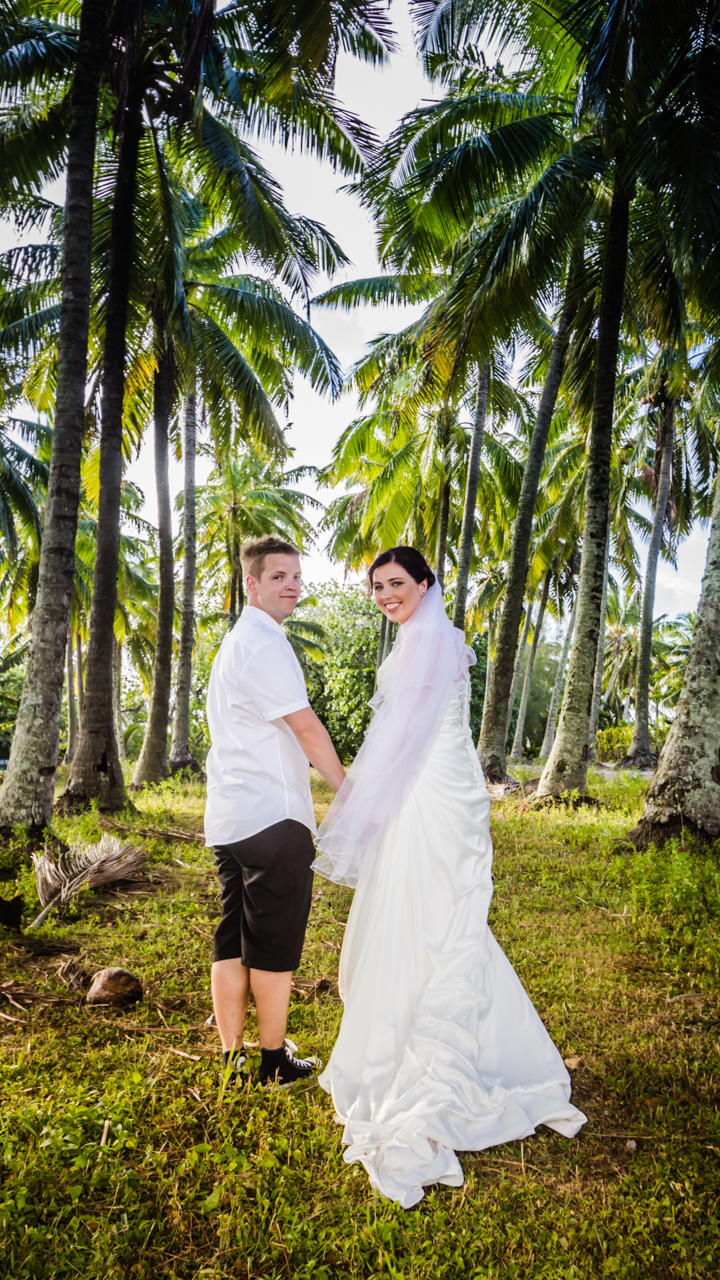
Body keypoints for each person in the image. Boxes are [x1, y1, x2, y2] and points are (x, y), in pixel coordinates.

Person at [313, 545, 587, 1207]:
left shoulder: (429, 639)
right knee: (424, 918)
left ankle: (436, 1069)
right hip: (431, 787)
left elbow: (403, 736)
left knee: (436, 918)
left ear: (426, 584)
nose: (385, 595)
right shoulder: (425, 637)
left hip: (432, 794)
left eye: (396, 583)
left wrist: (364, 803)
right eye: (376, 587)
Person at [205, 535, 345, 1086]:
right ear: (252, 583)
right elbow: (306, 727)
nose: (292, 585)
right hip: (273, 819)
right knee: (273, 947)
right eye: (279, 576)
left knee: (233, 936)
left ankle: (232, 1057)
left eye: (296, 576)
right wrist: (347, 789)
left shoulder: (237, 643)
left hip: (231, 818)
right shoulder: (265, 644)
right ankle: (272, 1063)